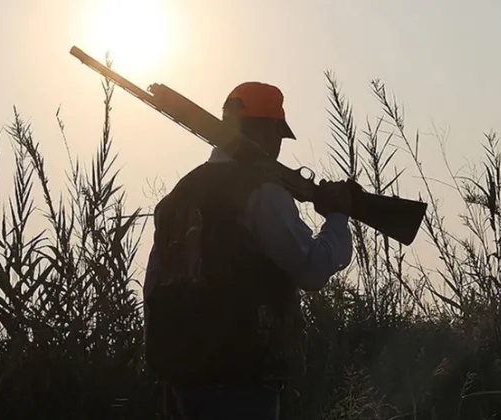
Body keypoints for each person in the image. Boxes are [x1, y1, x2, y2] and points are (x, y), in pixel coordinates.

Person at [142, 81, 353, 420]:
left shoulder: (179, 194)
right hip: (240, 375)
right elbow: (312, 270)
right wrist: (339, 216)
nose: (277, 146)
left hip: (180, 378)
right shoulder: (262, 192)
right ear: (267, 131)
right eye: (277, 135)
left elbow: (154, 286)